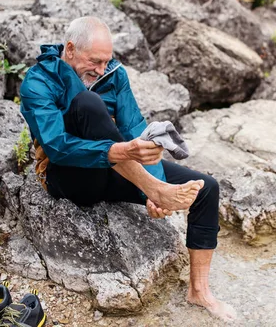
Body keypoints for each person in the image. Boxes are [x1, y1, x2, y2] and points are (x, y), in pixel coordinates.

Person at [19, 16, 236, 321]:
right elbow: (56, 145)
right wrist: (123, 155)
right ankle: (153, 187)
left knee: (206, 188)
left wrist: (153, 185)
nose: (101, 69)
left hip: (116, 168)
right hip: (67, 176)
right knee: (88, 104)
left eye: (106, 61)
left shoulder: (114, 75)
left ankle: (199, 292)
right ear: (69, 49)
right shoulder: (39, 80)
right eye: (95, 61)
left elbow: (135, 129)